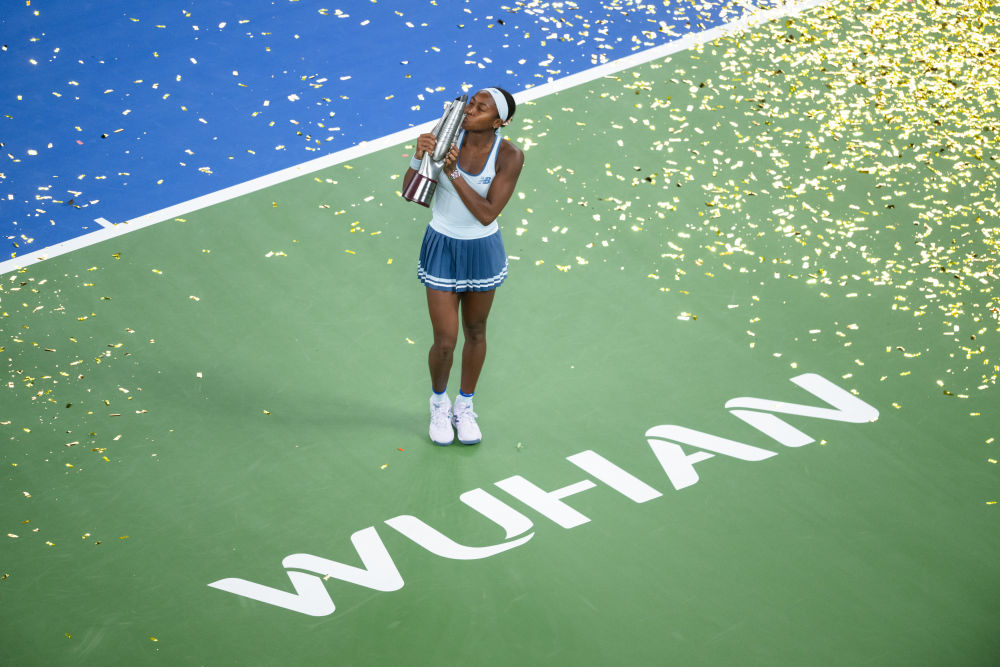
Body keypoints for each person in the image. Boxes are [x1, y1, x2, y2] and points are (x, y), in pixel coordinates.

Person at [402, 87, 524, 446]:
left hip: (482, 250)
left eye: (481, 108)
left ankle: (464, 406)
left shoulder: (510, 156)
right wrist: (419, 157)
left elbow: (487, 214)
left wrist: (454, 173)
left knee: (476, 332)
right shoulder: (444, 137)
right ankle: (439, 404)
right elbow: (411, 194)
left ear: (499, 122)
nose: (470, 110)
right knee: (445, 341)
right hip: (442, 247)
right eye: (471, 103)